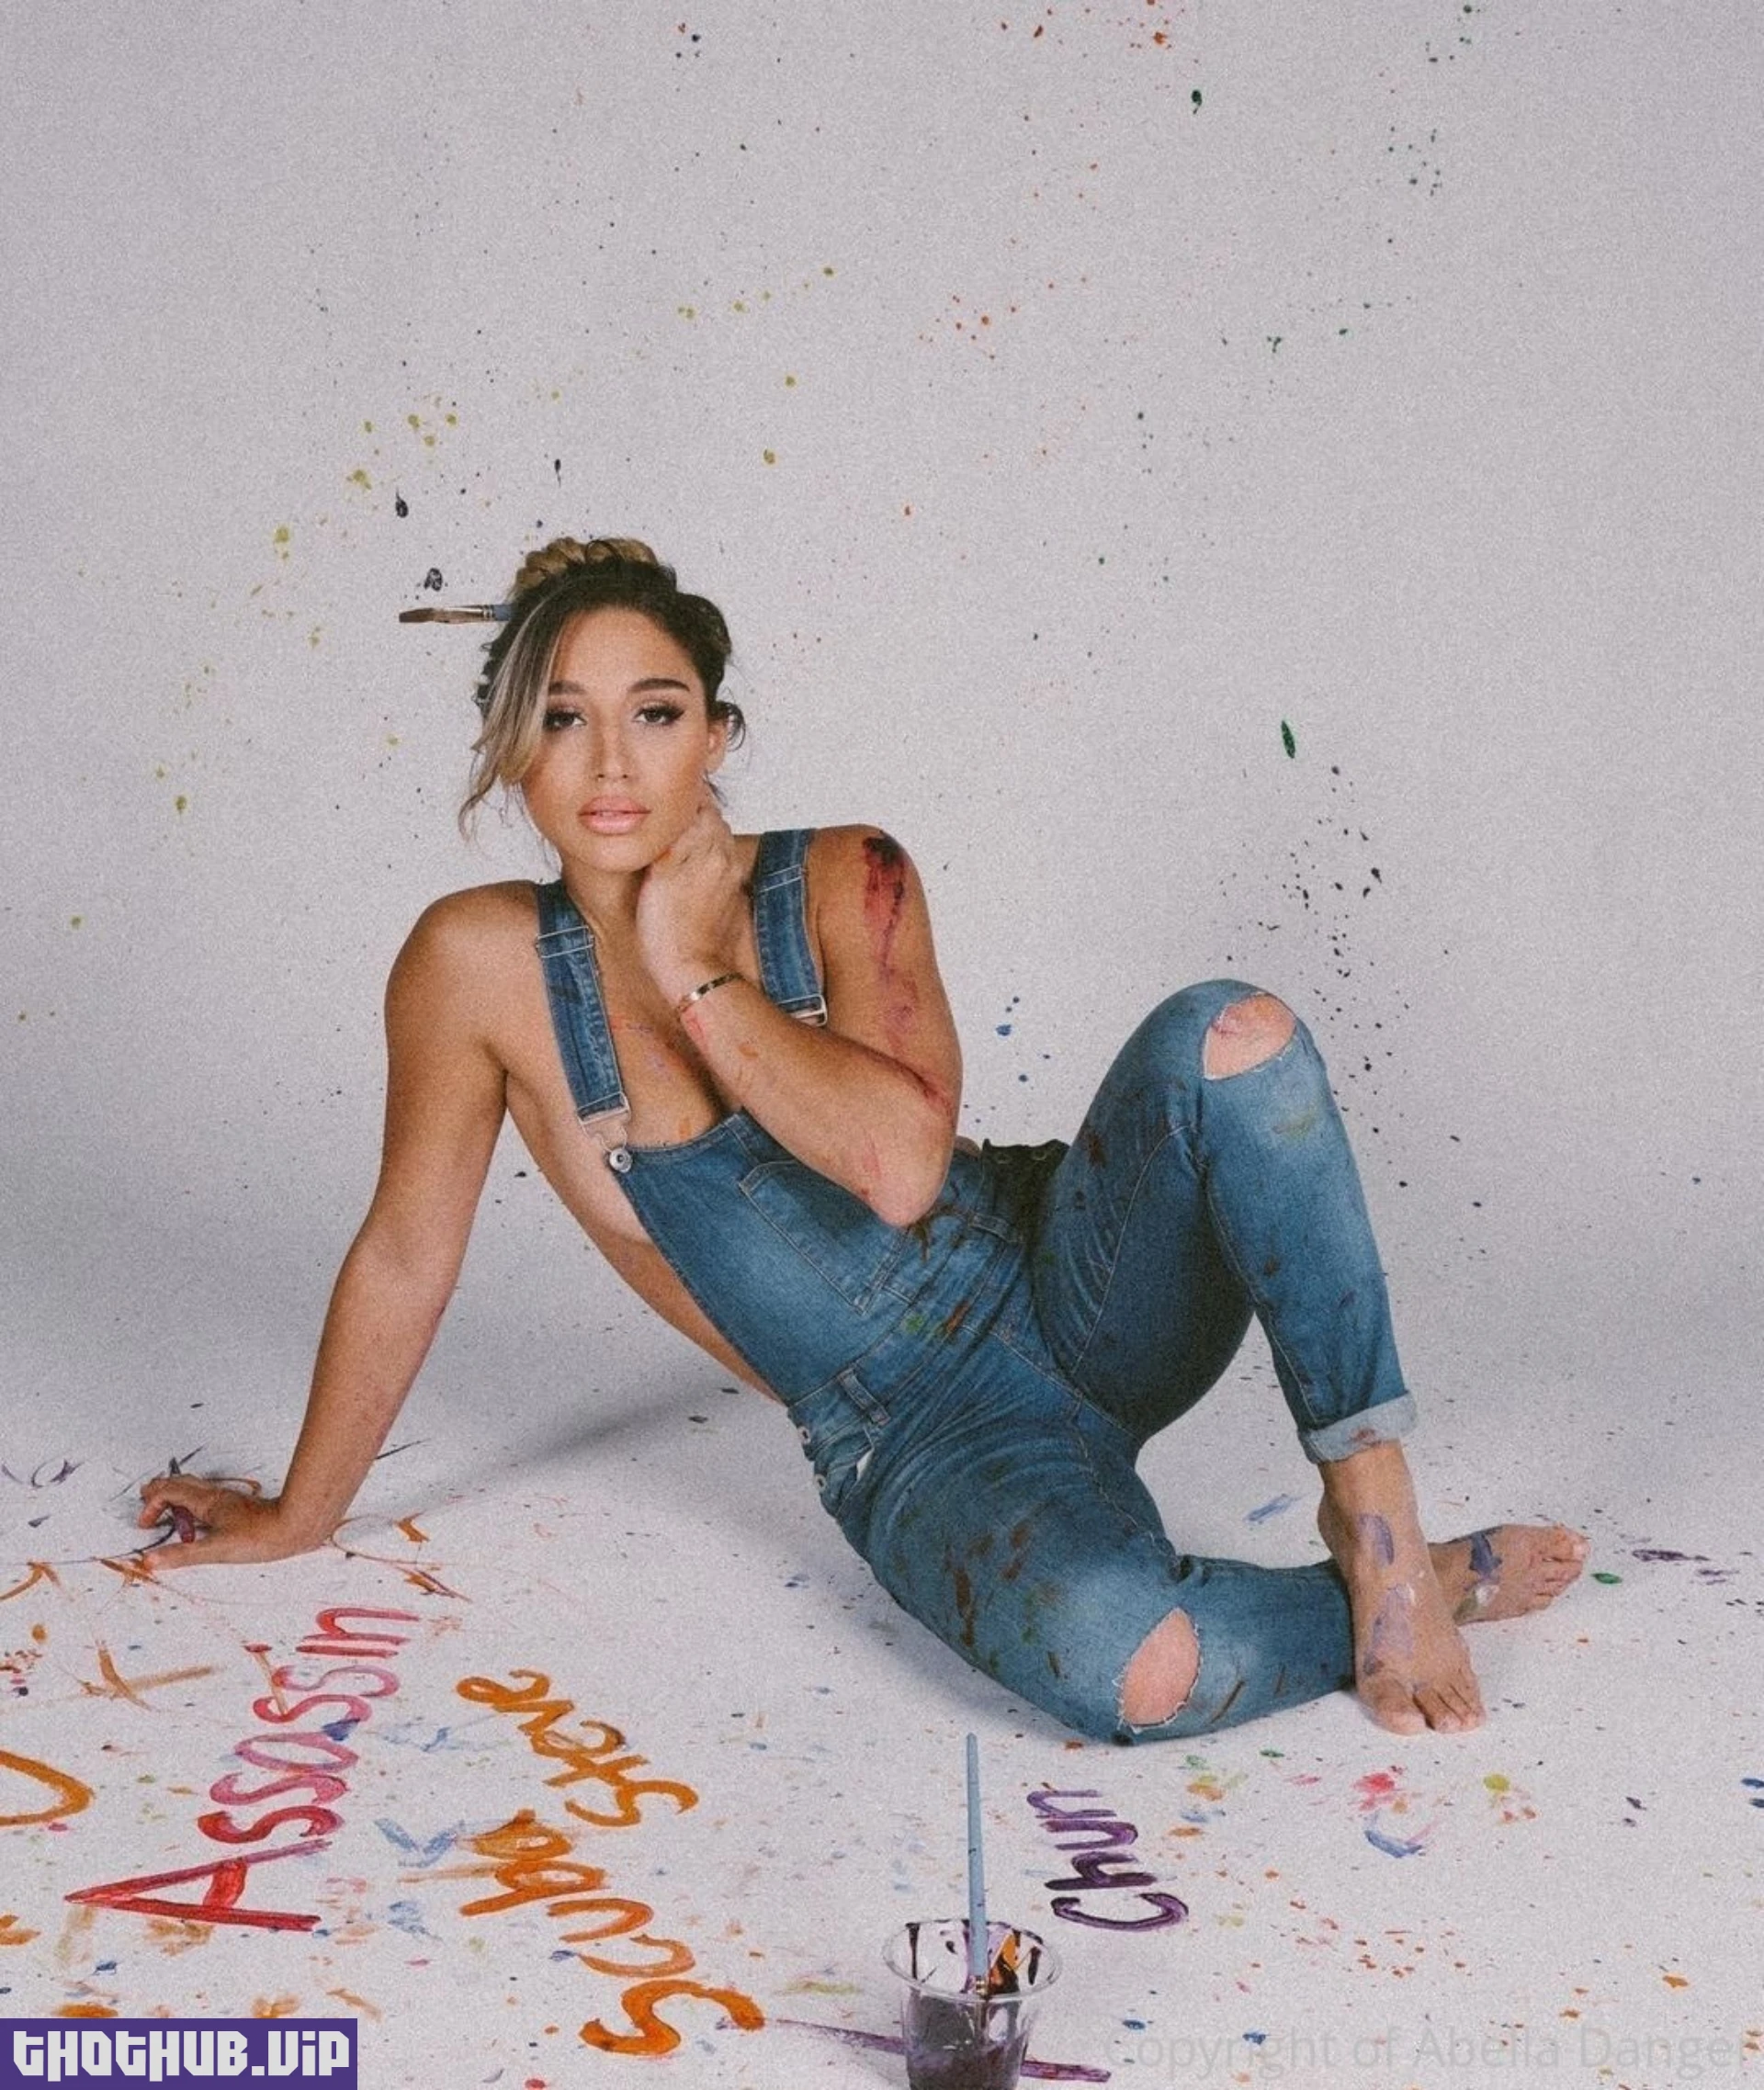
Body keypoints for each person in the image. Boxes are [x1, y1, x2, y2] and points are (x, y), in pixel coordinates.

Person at [140, 536, 1588, 1742]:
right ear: (514, 748)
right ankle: (1400, 1594)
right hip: (912, 1439)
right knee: (1137, 1670)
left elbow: (898, 1170)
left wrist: (693, 968)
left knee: (1238, 1037)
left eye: (656, 712)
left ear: (717, 734)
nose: (612, 762)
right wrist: (301, 1516)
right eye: (565, 718)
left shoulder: (847, 874)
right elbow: (406, 1250)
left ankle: (1380, 1527)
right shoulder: (477, 969)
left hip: (1077, 1280)